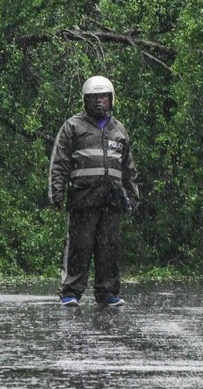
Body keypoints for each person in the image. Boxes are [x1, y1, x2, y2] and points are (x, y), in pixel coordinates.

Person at [48, 75, 139, 307]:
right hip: (83, 198)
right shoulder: (73, 127)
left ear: (111, 100)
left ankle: (107, 292)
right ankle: (71, 292)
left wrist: (132, 195)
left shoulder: (119, 130)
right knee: (80, 246)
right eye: (94, 98)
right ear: (85, 101)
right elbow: (59, 163)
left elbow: (128, 167)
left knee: (109, 247)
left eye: (104, 97)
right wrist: (56, 193)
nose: (100, 102)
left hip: (112, 200)